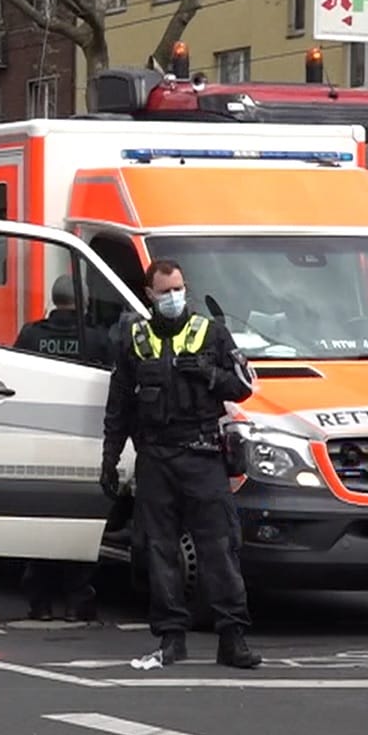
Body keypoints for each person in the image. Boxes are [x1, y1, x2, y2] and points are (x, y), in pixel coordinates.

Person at [100, 260, 261, 669]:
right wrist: (110, 458)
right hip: (156, 459)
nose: (173, 297)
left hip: (203, 454)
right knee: (160, 552)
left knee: (220, 549)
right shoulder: (135, 339)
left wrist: (209, 373)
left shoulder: (211, 334)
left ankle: (232, 638)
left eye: (178, 289)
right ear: (149, 294)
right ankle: (172, 638)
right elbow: (119, 404)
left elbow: (244, 387)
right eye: (165, 291)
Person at [12, 276, 112, 621]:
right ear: (82, 302)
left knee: (41, 523)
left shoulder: (31, 335)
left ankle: (39, 602)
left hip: (40, 442)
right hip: (83, 441)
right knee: (78, 525)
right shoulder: (97, 338)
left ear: (53, 300)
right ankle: (76, 601)